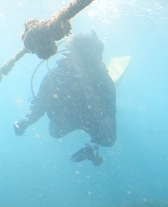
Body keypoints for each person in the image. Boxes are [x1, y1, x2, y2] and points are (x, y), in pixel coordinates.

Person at [14, 31, 116, 166]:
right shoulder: (58, 76)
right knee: (57, 132)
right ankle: (92, 145)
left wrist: (27, 120)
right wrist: (27, 120)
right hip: (80, 118)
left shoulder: (99, 78)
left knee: (107, 137)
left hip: (72, 119)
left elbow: (109, 110)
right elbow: (40, 103)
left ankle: (90, 147)